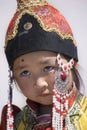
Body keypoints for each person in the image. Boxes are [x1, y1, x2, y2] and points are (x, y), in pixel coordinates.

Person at [0, 0, 87, 130]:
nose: (40, 83)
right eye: (25, 72)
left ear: (72, 64)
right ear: (13, 78)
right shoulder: (15, 123)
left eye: (48, 68)